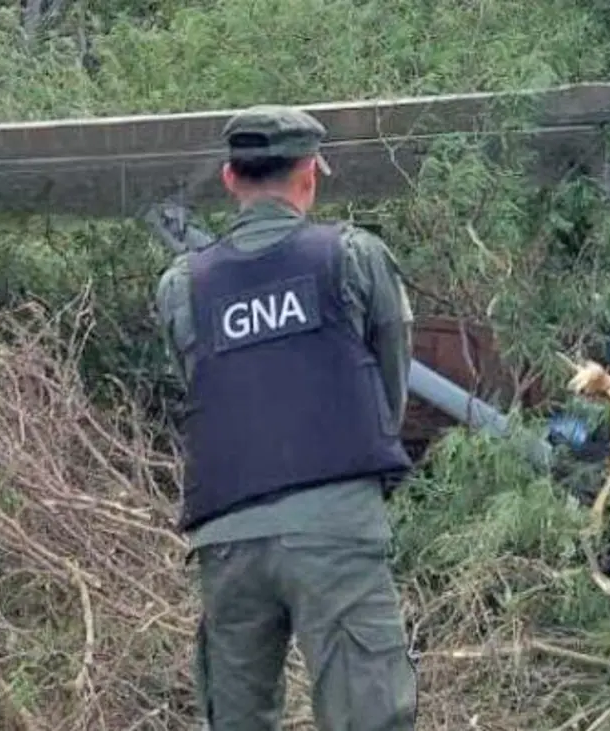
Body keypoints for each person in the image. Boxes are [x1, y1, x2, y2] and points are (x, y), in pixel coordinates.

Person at [154, 104, 419, 731]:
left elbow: (204, 386)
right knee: (367, 718)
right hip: (336, 525)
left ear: (230, 178)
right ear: (309, 174)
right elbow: (390, 383)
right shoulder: (354, 257)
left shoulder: (182, 285)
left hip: (228, 539)